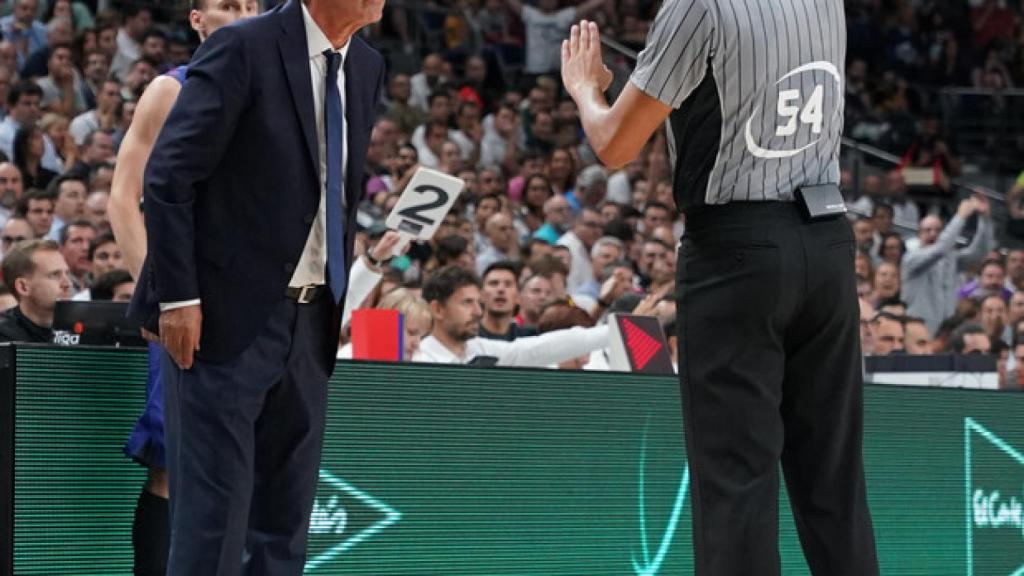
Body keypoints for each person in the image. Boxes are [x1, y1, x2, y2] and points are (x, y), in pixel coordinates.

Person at [562, 6, 879, 575]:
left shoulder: (697, 6)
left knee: (737, 480)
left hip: (739, 248)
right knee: (835, 481)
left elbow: (615, 146)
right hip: (829, 243)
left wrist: (586, 89)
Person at [128, 0, 384, 572]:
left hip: (313, 319)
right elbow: (169, 176)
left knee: (284, 527)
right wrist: (178, 296)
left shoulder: (366, 65)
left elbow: (334, 192)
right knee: (212, 525)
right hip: (222, 318)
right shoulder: (243, 46)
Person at [413, 265, 608, 365]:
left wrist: (616, 331)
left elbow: (543, 348)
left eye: (478, 303)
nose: (478, 312)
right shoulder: (417, 360)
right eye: (467, 303)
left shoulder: (480, 349)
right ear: (438, 309)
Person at [903, 198, 994, 333]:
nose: (933, 234)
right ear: (919, 234)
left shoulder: (951, 259)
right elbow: (940, 249)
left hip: (946, 332)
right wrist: (960, 217)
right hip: (918, 332)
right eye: (927, 230)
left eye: (938, 230)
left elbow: (980, 252)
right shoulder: (911, 259)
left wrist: (985, 220)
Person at [0, 238, 70, 342]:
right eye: (55, 275)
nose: (68, 283)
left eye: (66, 273)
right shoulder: (4, 336)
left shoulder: (82, 328)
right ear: (23, 287)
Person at [478, 261, 536, 341]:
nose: (500, 289)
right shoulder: (468, 337)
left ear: (518, 297)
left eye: (508, 284)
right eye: (494, 283)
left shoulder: (530, 338)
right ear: (481, 295)